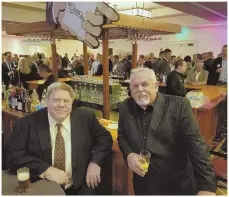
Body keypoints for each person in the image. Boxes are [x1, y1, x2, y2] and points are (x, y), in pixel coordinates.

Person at [117, 68, 216, 195]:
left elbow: (197, 145)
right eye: (135, 86)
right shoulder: (126, 106)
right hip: (142, 185)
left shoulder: (178, 105)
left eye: (145, 84)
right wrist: (129, 154)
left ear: (156, 86)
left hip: (176, 186)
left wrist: (207, 187)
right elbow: (122, 136)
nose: (140, 89)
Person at [7, 82, 113, 195]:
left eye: (66, 101)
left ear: (72, 102)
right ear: (46, 101)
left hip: (80, 186)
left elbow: (105, 138)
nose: (62, 105)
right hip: (43, 187)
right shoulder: (26, 123)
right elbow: (13, 157)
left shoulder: (86, 117)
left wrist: (95, 162)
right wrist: (45, 170)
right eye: (56, 100)